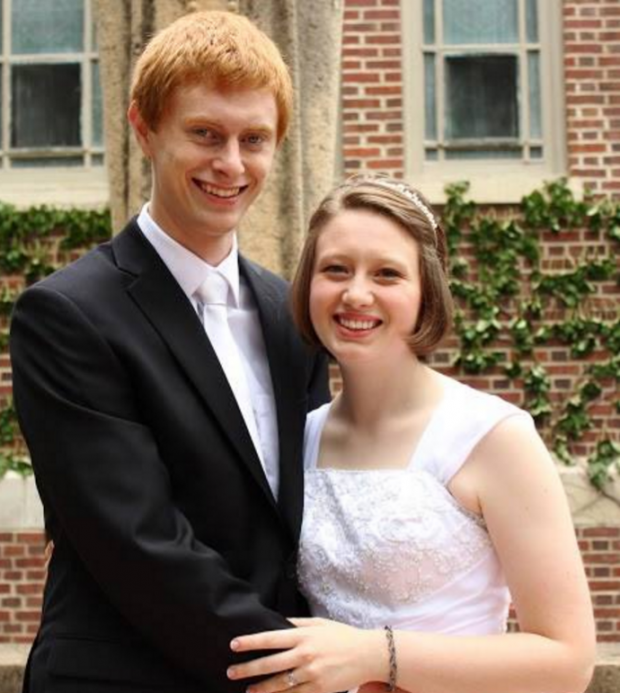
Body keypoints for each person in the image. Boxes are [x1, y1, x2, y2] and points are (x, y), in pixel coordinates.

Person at [10, 10, 329, 693]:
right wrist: (300, 672)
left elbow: (315, 514)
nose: (231, 164)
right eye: (206, 134)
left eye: (255, 139)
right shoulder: (67, 315)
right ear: (144, 129)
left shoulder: (290, 314)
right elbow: (137, 542)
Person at [225, 175, 596, 693]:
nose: (356, 293)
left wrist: (373, 654)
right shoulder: (298, 438)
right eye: (336, 269)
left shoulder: (493, 437)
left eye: (387, 274)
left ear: (426, 292)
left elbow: (568, 661)